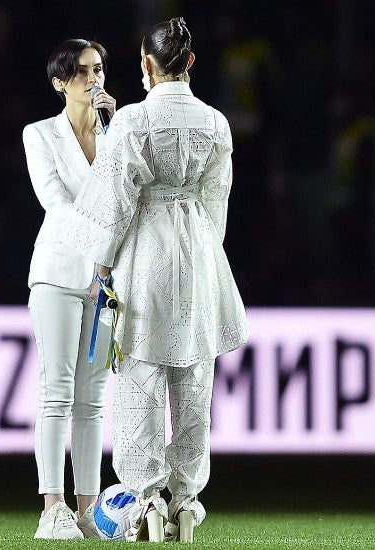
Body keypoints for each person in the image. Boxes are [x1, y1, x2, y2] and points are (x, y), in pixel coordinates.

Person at [61, 17, 249, 542]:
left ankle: (145, 502)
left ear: (147, 65)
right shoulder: (216, 123)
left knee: (140, 381)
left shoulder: (133, 122)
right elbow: (218, 204)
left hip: (146, 249)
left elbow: (116, 199)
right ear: (189, 63)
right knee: (194, 382)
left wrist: (101, 264)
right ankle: (187, 500)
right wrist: (202, 249)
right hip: (199, 250)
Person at [21, 38, 117, 540]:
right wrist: (106, 233)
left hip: (107, 280)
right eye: (80, 72)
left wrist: (115, 134)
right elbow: (55, 203)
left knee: (93, 398)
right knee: (56, 390)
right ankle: (51, 508)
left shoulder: (118, 133)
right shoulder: (39, 134)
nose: (91, 79)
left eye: (97, 69)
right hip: (59, 273)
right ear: (60, 81)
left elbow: (133, 193)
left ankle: (88, 508)